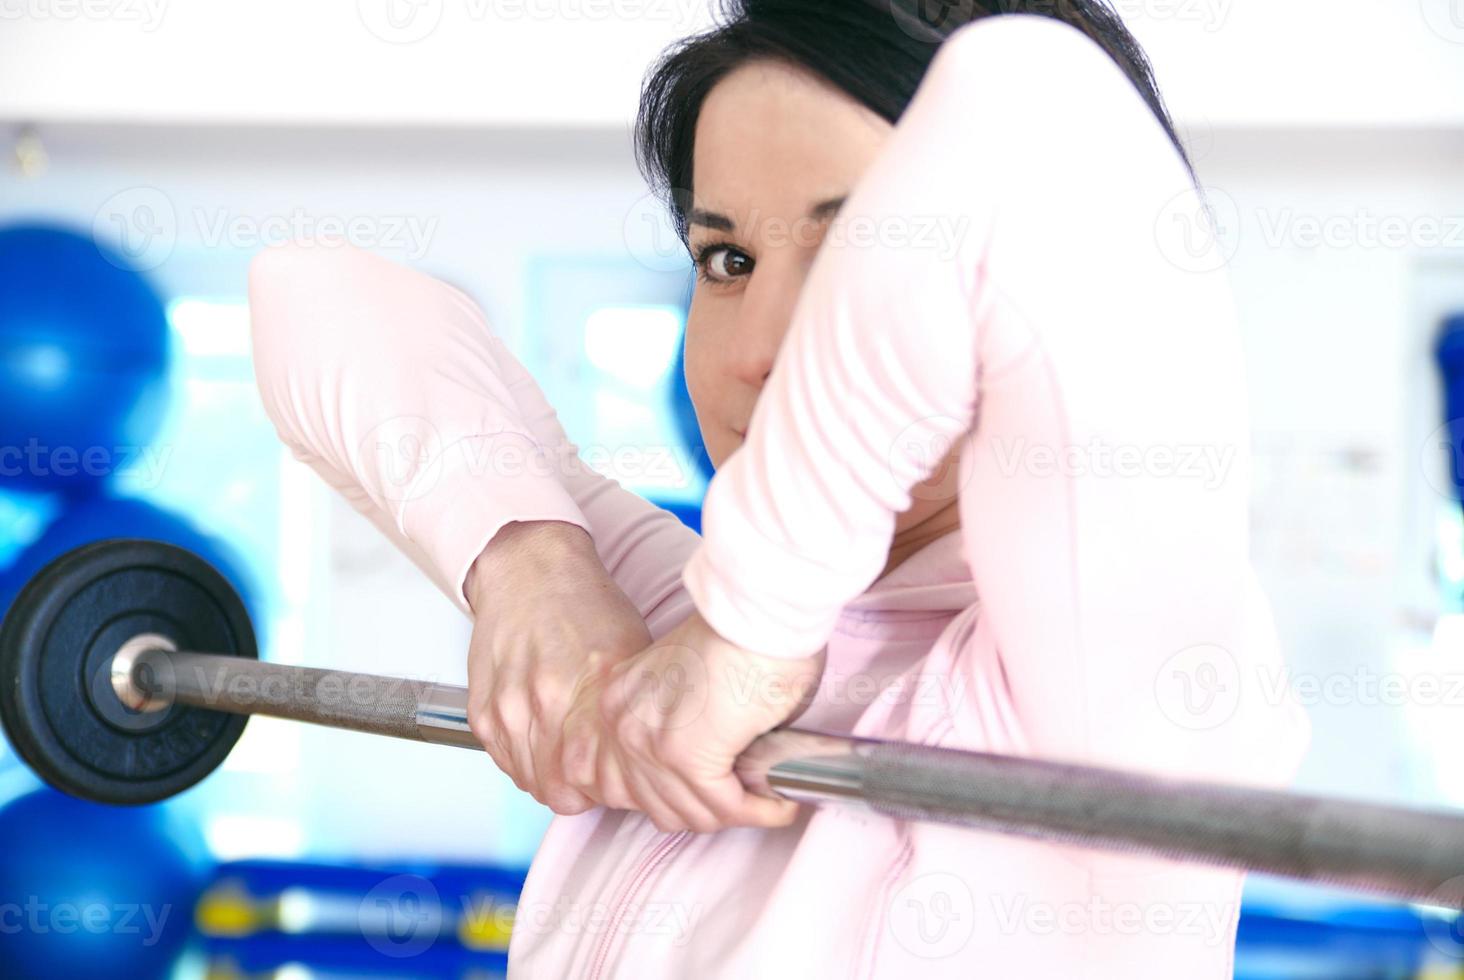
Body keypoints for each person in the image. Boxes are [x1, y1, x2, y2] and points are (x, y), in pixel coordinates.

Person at [248, 4, 1309, 976]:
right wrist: (529, 564)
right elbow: (310, 293)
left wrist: (754, 636)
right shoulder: (661, 619)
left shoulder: (1127, 661)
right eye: (727, 258)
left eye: (856, 247)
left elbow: (1032, 101)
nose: (755, 350)